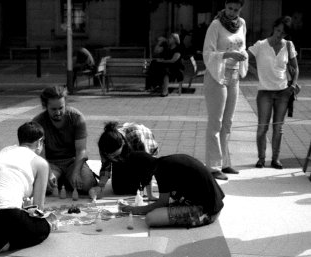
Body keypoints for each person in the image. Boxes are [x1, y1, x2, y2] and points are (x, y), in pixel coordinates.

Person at [0, 121, 56, 257]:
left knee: (3, 222)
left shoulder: (4, 151)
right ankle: (7, 243)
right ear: (40, 142)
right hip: (7, 217)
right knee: (44, 227)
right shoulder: (40, 163)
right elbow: (38, 209)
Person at [203, 0, 248, 180]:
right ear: (225, 6)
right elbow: (207, 52)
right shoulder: (216, 24)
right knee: (216, 122)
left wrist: (242, 55)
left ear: (240, 9)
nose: (232, 12)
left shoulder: (242, 23)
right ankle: (213, 166)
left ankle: (225, 162)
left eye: (236, 10)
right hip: (217, 75)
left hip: (234, 74)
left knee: (228, 121)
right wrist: (228, 54)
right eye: (229, 8)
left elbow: (242, 46)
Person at [118, 151, 225, 228]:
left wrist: (134, 210)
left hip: (207, 212)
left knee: (151, 218)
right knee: (160, 209)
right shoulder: (164, 163)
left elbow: (161, 203)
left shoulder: (162, 170)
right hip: (213, 204)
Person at [247, 16, 299, 169]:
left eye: (283, 33)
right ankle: (261, 159)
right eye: (278, 31)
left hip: (283, 92)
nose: (279, 35)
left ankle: (275, 159)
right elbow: (245, 57)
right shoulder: (261, 45)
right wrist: (255, 73)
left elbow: (295, 68)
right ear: (273, 28)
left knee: (278, 127)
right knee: (263, 127)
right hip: (265, 93)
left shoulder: (288, 45)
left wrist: (293, 85)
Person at [32, 86, 98, 195]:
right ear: (45, 106)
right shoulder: (38, 122)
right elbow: (40, 154)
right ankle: (63, 180)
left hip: (72, 161)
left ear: (65, 104)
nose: (58, 112)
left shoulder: (77, 118)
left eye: (61, 108)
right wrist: (48, 173)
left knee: (86, 184)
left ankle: (67, 179)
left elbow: (81, 150)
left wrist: (76, 172)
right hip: (51, 162)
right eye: (53, 109)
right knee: (44, 186)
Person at [97, 121, 159, 197]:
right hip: (126, 154)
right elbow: (105, 167)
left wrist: (150, 195)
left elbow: (147, 164)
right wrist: (100, 186)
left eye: (115, 155)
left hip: (143, 154)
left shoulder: (137, 137)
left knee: (136, 190)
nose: (112, 159)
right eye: (109, 157)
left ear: (122, 143)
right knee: (119, 190)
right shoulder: (105, 143)